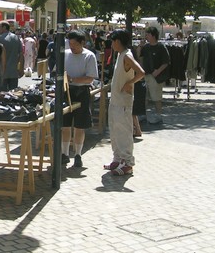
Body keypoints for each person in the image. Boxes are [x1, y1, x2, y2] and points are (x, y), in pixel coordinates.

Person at [105, 30, 145, 176]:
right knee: (114, 130)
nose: (111, 44)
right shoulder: (120, 55)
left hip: (122, 101)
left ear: (118, 41)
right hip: (115, 99)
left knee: (124, 132)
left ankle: (127, 163)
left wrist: (130, 83)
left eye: (113, 41)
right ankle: (117, 159)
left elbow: (141, 72)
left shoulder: (127, 55)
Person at [62, 30, 99, 168]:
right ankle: (64, 153)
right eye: (70, 44)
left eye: (74, 44)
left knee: (80, 126)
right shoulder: (65, 54)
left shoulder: (89, 56)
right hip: (67, 91)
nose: (72, 47)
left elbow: (90, 77)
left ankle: (78, 154)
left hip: (82, 91)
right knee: (65, 125)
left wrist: (74, 79)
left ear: (82, 43)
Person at [140, 27, 170, 124]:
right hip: (146, 74)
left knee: (156, 97)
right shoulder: (145, 47)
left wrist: (158, 71)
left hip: (155, 77)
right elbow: (139, 58)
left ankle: (159, 115)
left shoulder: (161, 47)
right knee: (144, 96)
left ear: (153, 35)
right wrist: (140, 46)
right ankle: (143, 114)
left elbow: (166, 62)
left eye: (148, 34)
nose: (146, 36)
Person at [0, 21, 24, 91]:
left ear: (4, 27)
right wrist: (21, 69)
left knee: (2, 94)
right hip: (13, 71)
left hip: (1, 72)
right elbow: (21, 54)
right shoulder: (16, 38)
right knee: (13, 94)